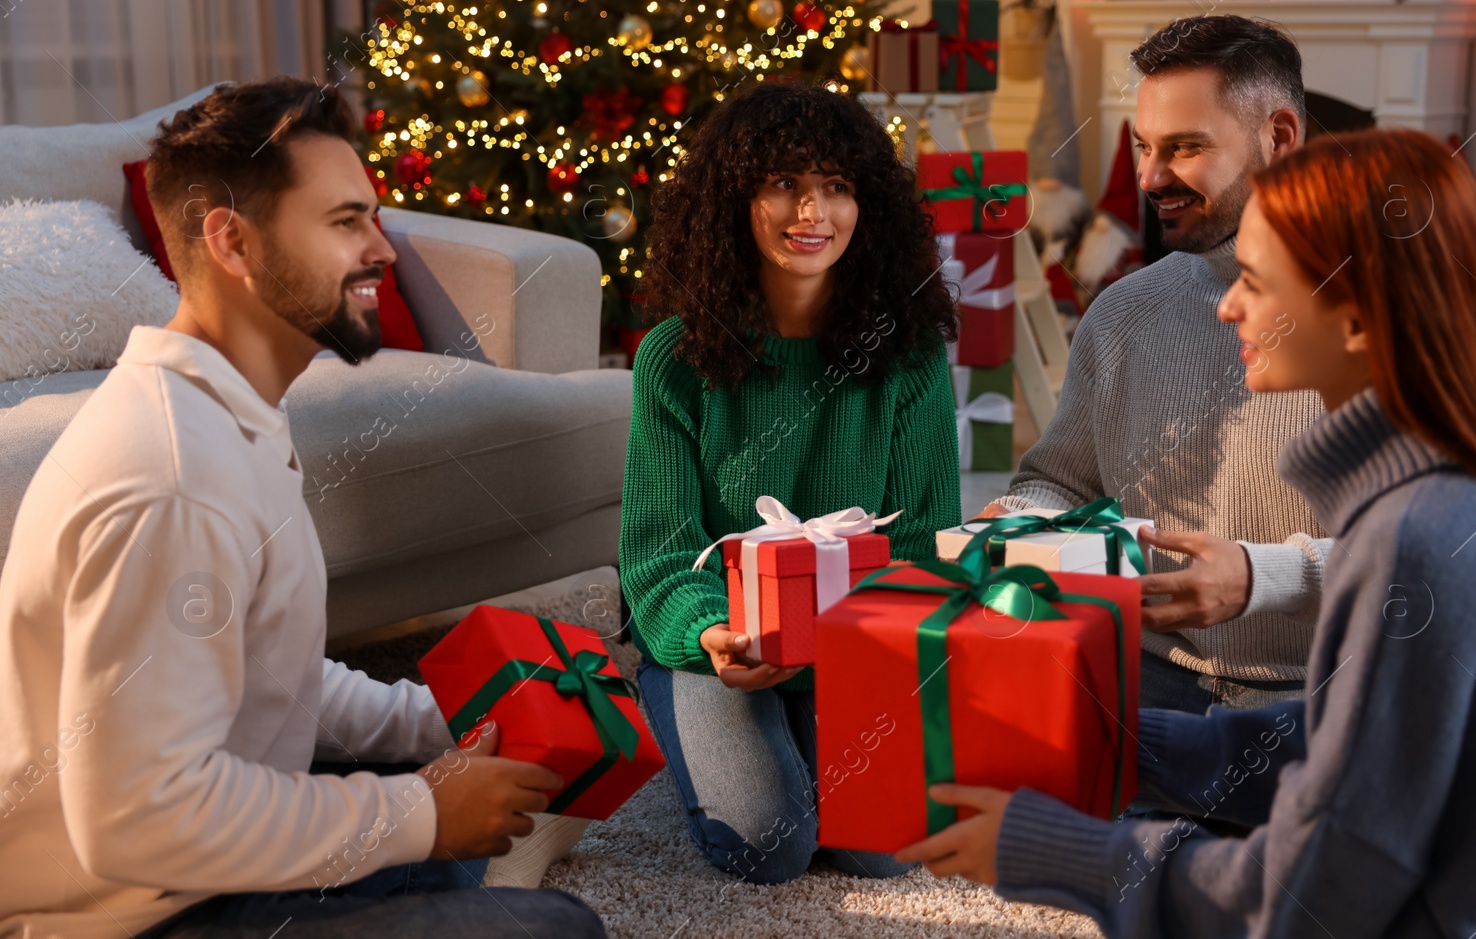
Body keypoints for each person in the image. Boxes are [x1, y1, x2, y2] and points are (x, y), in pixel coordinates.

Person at [898, 128, 1476, 936]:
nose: (1227, 303)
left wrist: (1047, 849)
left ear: (1358, 321)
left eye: (1257, 282)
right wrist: (1118, 741)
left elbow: (1301, 898)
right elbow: (1346, 747)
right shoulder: (1456, 496)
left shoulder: (1417, 539)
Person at [0, 79, 605, 939]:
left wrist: (441, 726)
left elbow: (268, 672)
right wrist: (422, 809)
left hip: (189, 863)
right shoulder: (173, 479)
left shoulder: (229, 409)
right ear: (232, 242)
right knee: (554, 929)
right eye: (344, 221)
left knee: (452, 820)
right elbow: (133, 822)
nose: (384, 250)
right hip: (129, 913)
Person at [620, 80, 962, 884]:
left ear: (865, 204)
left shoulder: (908, 358)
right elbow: (659, 557)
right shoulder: (673, 359)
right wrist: (713, 636)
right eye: (784, 184)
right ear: (734, 199)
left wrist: (868, 662)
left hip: (859, 646)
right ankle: (685, 711)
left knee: (881, 849)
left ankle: (800, 741)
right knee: (772, 845)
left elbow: (922, 547)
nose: (812, 213)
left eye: (836, 188)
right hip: (717, 644)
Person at [981, 14, 1331, 714]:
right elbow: (1061, 478)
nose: (1149, 177)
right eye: (1142, 146)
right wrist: (1018, 517)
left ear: (1280, 136)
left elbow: (1443, 549)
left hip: (1321, 699)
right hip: (1142, 685)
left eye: (1185, 147)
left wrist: (1265, 575)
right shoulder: (1120, 313)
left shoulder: (1371, 320)